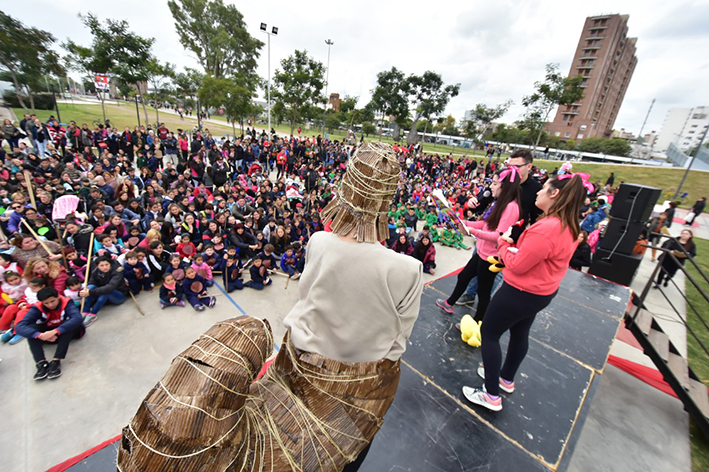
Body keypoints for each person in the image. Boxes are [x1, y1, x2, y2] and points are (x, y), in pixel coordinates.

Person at [462, 174, 587, 412]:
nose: (537, 192)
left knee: (488, 333)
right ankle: (505, 379)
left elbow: (517, 264)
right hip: (541, 292)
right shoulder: (569, 225)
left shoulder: (547, 228)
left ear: (554, 194)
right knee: (520, 332)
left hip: (520, 291)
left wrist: (504, 244)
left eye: (544, 189)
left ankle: (491, 396)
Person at [437, 167, 521, 322]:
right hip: (482, 253)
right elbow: (485, 224)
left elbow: (499, 236)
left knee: (483, 292)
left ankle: (478, 323)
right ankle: (450, 303)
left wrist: (470, 231)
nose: (491, 187)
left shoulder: (510, 208)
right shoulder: (499, 203)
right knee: (464, 276)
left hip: (491, 258)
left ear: (505, 186)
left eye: (495, 183)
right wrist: (463, 223)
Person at [15, 287, 85, 381]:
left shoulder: (67, 302)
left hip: (67, 333)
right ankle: (41, 363)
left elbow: (77, 318)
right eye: (46, 303)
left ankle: (56, 361)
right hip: (48, 336)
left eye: (53, 301)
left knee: (69, 325)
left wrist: (56, 331)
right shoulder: (37, 307)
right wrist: (39, 335)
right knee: (31, 330)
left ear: (58, 296)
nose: (50, 305)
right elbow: (19, 326)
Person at [80, 256, 127, 326]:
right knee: (90, 287)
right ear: (98, 266)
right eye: (101, 265)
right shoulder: (95, 272)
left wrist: (90, 292)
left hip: (118, 296)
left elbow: (110, 287)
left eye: (107, 264)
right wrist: (84, 292)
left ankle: (92, 314)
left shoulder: (117, 271)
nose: (105, 267)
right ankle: (85, 311)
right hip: (104, 296)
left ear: (110, 264)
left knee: (106, 290)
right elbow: (91, 283)